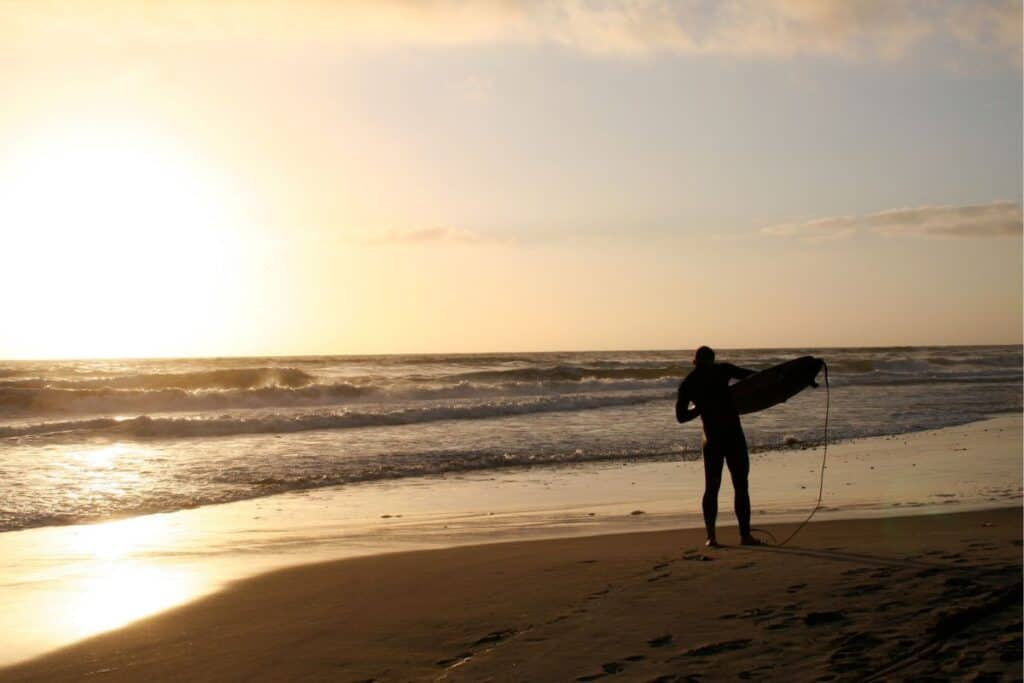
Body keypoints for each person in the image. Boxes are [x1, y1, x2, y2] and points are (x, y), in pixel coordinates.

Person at [676, 346, 760, 547]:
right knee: (738, 486)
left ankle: (713, 537)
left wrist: (699, 409)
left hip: (715, 438)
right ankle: (741, 536)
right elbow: (757, 379)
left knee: (717, 487)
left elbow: (681, 416)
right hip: (729, 436)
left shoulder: (690, 382)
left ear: (694, 360)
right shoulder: (720, 371)